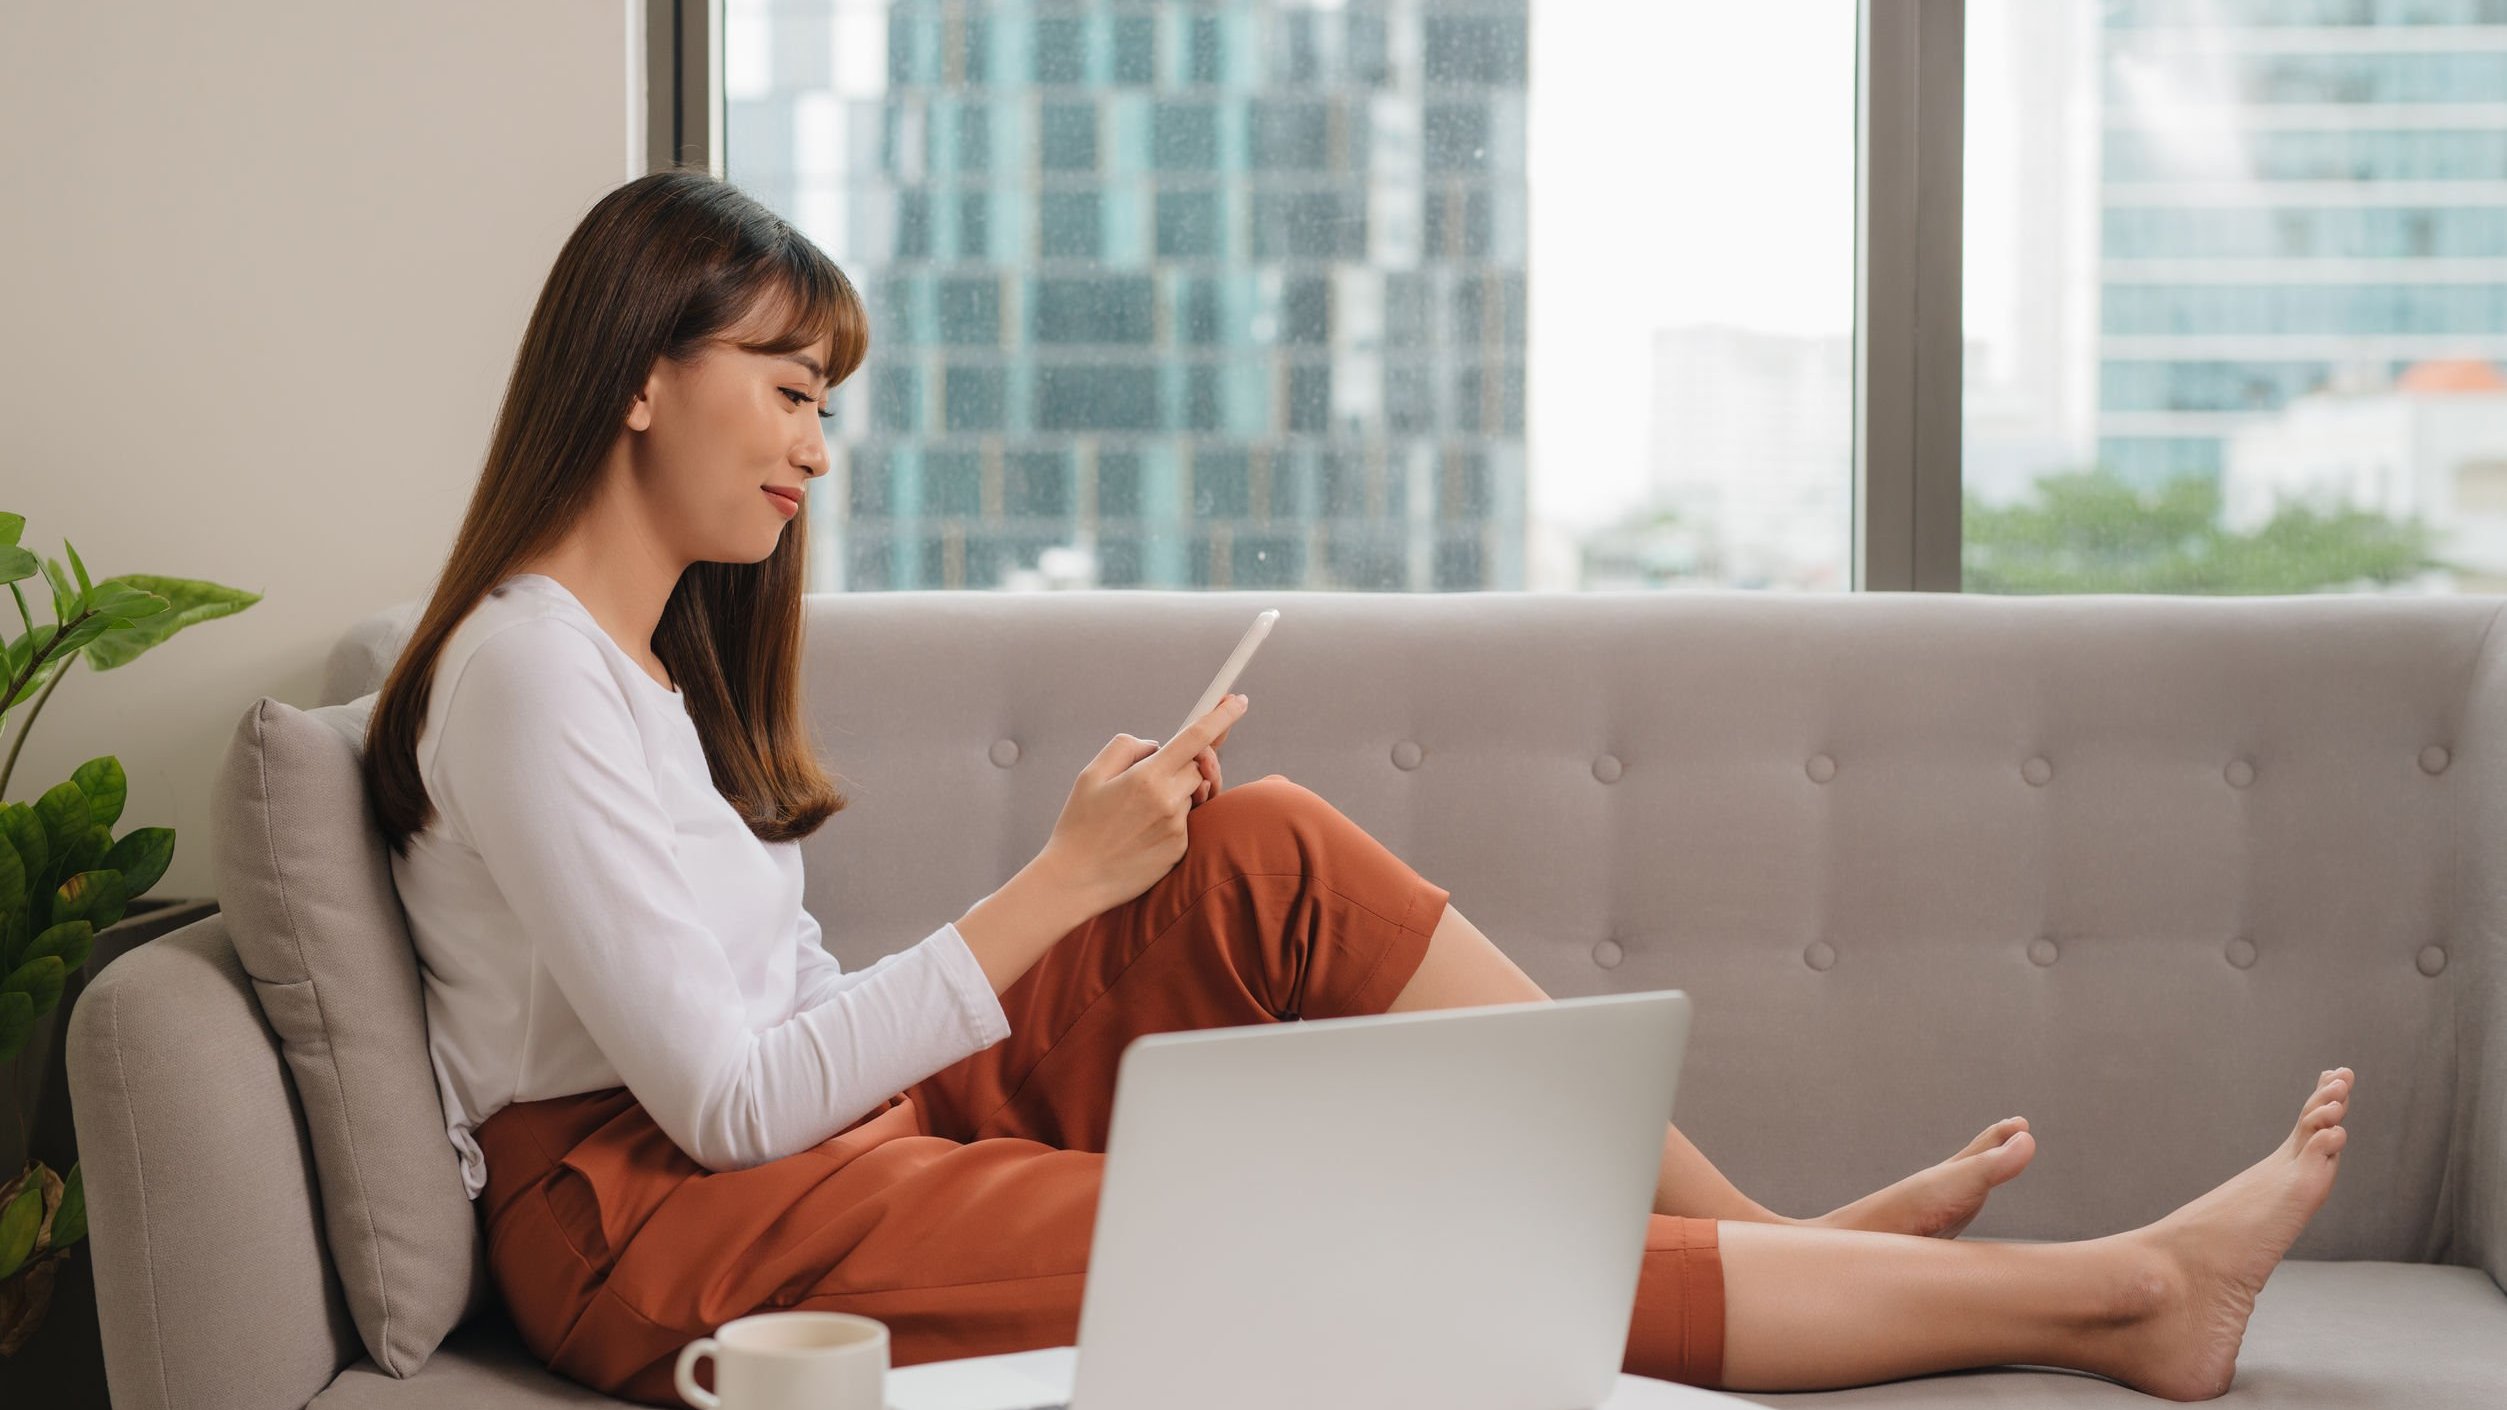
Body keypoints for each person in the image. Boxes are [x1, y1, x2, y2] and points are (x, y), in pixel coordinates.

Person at [363, 169, 2350, 1406]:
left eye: (826, 401)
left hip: (788, 1144)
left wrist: (1116, 875)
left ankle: (1774, 1230)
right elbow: (711, 1104)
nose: (815, 443)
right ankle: (2119, 1304)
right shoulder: (523, 674)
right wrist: (1051, 890)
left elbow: (769, 1029)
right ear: (641, 372)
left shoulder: (623, 669)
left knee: (1255, 855)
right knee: (1287, 1220)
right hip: (655, 1224)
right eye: (787, 385)